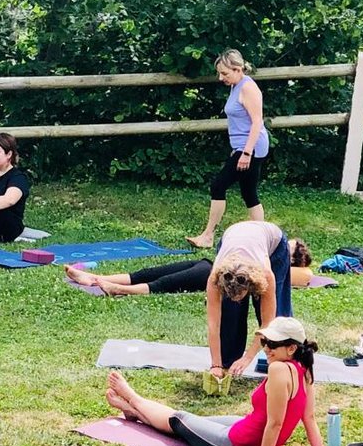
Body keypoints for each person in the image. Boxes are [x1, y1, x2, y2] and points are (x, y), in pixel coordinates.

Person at [104, 317, 325, 446]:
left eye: (272, 344)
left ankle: (132, 398)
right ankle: (133, 411)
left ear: (291, 348)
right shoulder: (305, 371)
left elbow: (275, 423)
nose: (266, 348)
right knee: (192, 424)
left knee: (178, 419)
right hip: (248, 433)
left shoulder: (278, 369)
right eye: (265, 342)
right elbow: (309, 418)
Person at [188, 49, 270, 248]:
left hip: (251, 147)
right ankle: (264, 239)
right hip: (243, 146)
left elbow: (257, 122)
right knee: (249, 193)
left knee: (218, 185)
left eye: (224, 73)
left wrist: (246, 153)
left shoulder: (248, 88)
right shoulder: (235, 86)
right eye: (219, 73)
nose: (220, 78)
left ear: (238, 69)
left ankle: (208, 236)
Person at [65, 238, 310, 297]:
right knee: (150, 273)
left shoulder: (279, 269)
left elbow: (304, 277)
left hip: (214, 274)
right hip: (207, 263)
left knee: (164, 284)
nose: (281, 245)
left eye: (287, 248)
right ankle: (93, 277)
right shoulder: (267, 245)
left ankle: (117, 289)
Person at [208, 220, 293, 379]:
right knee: (230, 313)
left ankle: (282, 361)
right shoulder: (216, 276)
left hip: (274, 244)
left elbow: (267, 323)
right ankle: (228, 362)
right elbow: (214, 323)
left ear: (251, 285)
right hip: (232, 235)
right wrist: (216, 364)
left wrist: (247, 358)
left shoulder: (266, 274)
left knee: (278, 320)